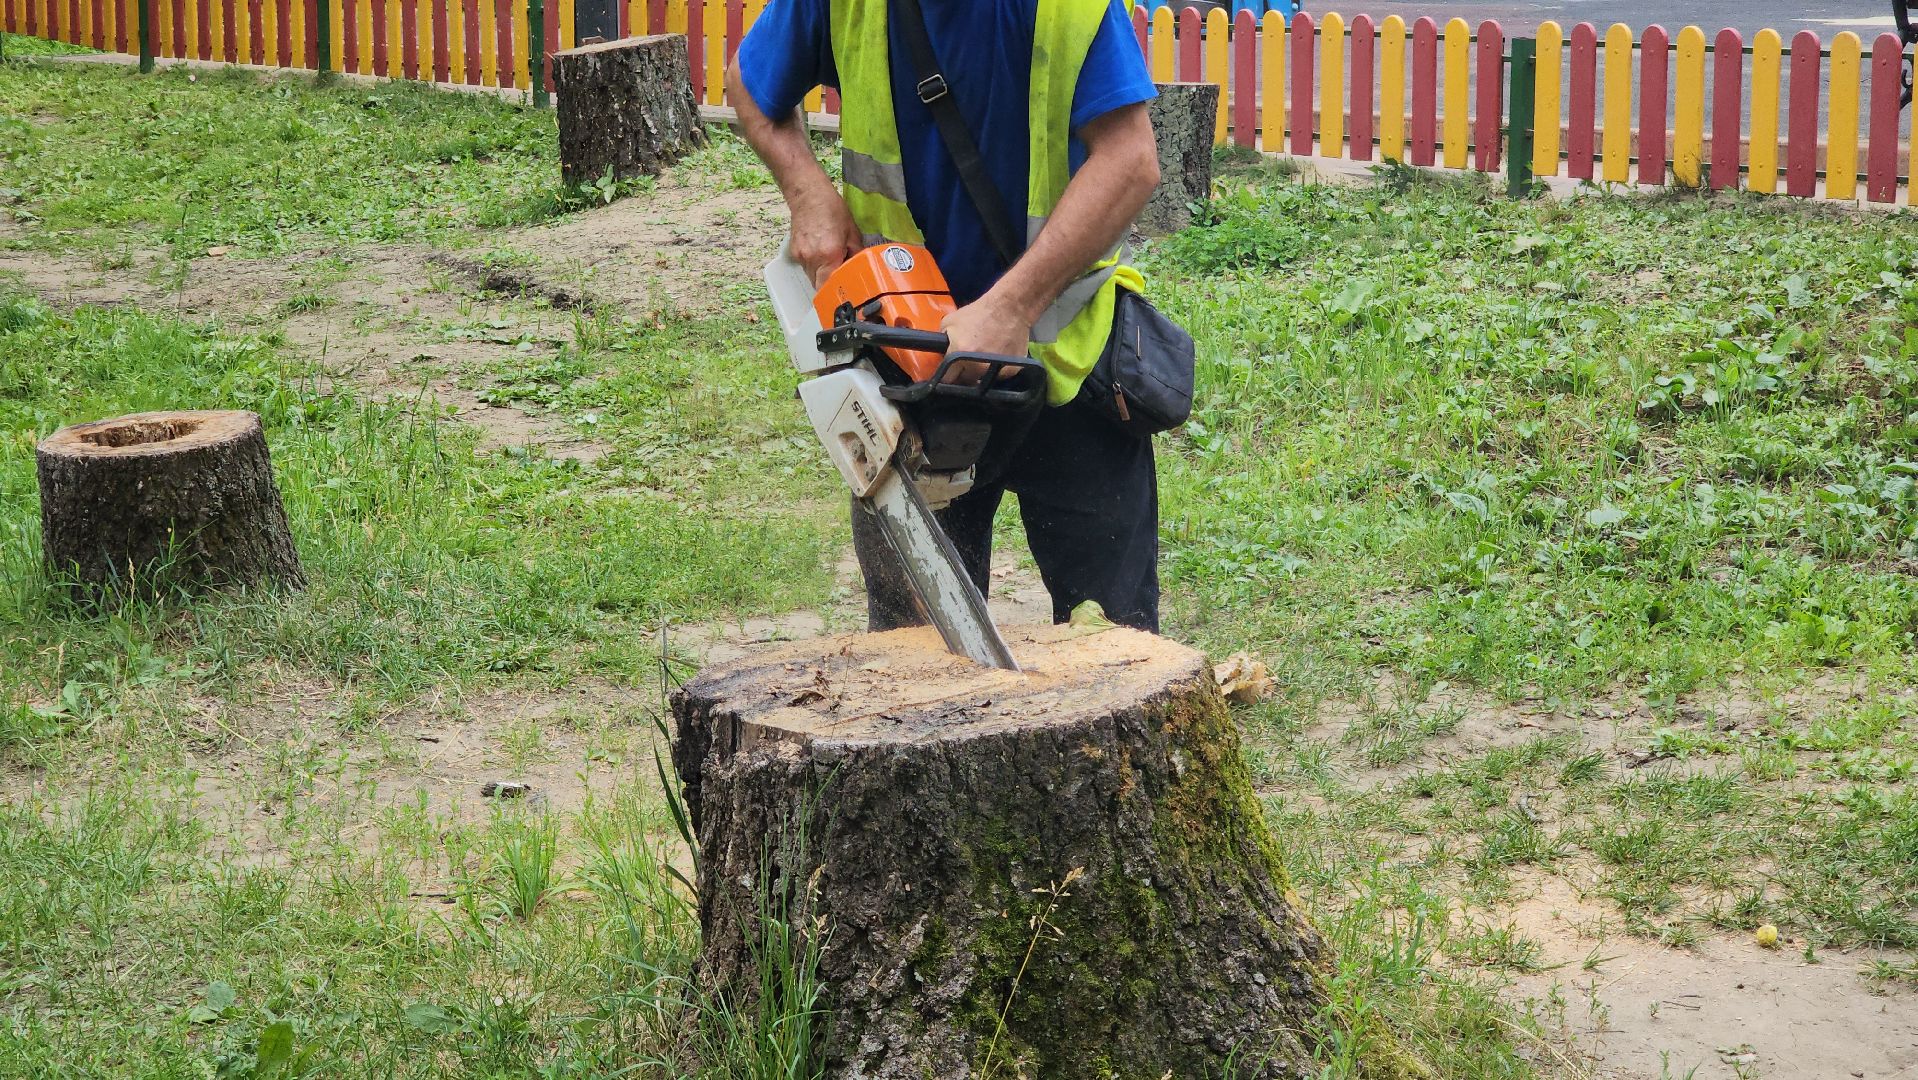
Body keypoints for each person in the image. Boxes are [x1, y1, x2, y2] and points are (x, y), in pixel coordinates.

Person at [727, 0, 1166, 632]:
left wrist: (1010, 307)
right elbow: (748, 78)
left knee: (1120, 648)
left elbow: (1130, 160)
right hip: (908, 374)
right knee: (913, 658)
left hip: (1066, 362)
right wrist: (808, 194)